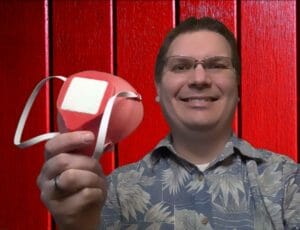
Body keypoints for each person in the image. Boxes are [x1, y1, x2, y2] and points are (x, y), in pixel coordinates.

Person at [37, 17, 300, 229]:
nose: (199, 78)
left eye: (217, 65)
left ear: (238, 86)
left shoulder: (288, 182)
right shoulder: (111, 191)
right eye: (181, 66)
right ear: (158, 89)